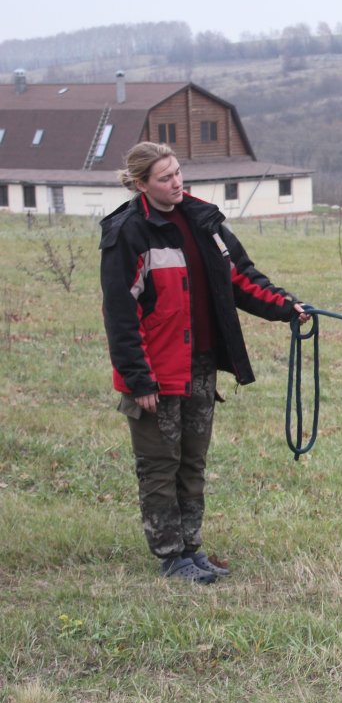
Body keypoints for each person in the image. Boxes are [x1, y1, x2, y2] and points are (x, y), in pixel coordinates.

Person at [100, 142, 310, 584]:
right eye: (164, 177)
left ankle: (192, 549)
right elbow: (121, 316)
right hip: (154, 373)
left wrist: (288, 307)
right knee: (160, 465)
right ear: (141, 184)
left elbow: (241, 278)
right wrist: (139, 380)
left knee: (193, 461)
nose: (176, 182)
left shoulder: (203, 220)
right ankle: (170, 555)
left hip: (200, 364)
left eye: (177, 172)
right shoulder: (128, 233)